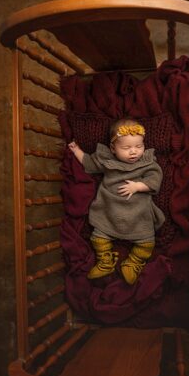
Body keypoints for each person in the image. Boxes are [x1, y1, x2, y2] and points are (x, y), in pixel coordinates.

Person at [67, 119, 164, 285]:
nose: (133, 152)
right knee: (98, 237)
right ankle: (105, 262)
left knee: (148, 243)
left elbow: (156, 178)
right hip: (110, 211)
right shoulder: (107, 161)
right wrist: (76, 151)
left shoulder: (147, 163)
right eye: (126, 148)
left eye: (139, 146)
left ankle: (133, 262)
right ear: (113, 148)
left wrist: (138, 186)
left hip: (138, 214)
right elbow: (89, 162)